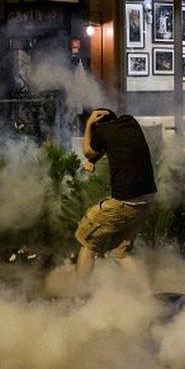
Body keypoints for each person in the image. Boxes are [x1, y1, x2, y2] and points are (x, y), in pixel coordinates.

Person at [75, 108, 158, 275]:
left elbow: (88, 151)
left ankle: (80, 297)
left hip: (125, 202)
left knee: (87, 240)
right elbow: (114, 145)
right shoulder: (130, 123)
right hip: (146, 199)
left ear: (98, 125)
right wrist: (94, 161)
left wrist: (89, 124)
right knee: (120, 252)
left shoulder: (102, 130)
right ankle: (145, 296)